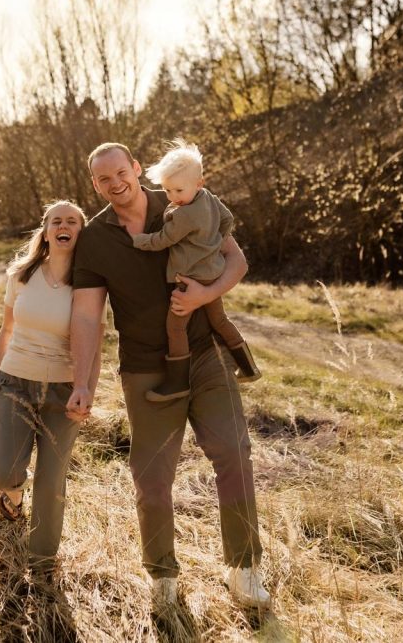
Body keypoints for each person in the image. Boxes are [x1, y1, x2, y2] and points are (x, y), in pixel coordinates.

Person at [66, 143, 271, 609]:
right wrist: (83, 382)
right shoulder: (96, 239)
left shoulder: (183, 199)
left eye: (122, 171)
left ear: (138, 170)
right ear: (94, 185)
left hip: (205, 354)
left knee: (234, 452)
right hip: (145, 369)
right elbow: (85, 316)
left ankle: (244, 569)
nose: (115, 182)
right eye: (103, 178)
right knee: (152, 478)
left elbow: (236, 261)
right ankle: (162, 577)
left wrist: (205, 296)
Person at [0, 200, 101, 573]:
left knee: (51, 480)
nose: (64, 225)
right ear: (45, 230)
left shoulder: (91, 284)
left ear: (80, 232)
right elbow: (6, 331)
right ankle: (11, 491)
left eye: (72, 221)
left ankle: (42, 562)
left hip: (63, 389)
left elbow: (96, 346)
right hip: (15, 380)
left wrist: (85, 390)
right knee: (7, 472)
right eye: (56, 220)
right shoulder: (21, 275)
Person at [131, 139, 260, 401]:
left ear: (198, 183)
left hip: (188, 280)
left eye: (178, 190)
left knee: (175, 327)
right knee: (220, 321)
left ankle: (177, 381)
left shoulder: (184, 215)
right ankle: (248, 366)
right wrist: (213, 240)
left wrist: (138, 240)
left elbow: (163, 240)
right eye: (167, 191)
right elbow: (228, 218)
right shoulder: (209, 199)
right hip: (211, 273)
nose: (172, 197)